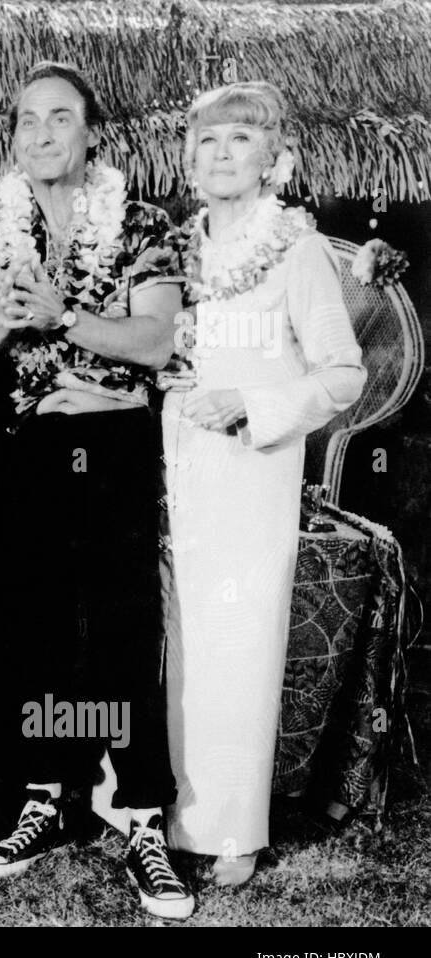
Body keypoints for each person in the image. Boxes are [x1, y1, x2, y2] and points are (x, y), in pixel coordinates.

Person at [0, 62, 194, 919]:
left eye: (60, 118)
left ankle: (140, 814)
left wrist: (65, 319)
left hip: (113, 445)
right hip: (27, 448)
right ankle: (47, 796)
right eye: (27, 121)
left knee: (122, 626)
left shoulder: (145, 222)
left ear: (92, 132)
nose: (42, 134)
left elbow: (157, 343)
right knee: (38, 627)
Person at [157, 82, 365, 886]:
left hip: (252, 468)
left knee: (237, 645)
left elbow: (343, 373)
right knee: (174, 642)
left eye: (239, 141)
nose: (220, 156)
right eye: (206, 142)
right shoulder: (172, 249)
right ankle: (170, 811)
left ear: (273, 159)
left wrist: (252, 403)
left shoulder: (297, 249)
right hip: (172, 465)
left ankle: (235, 828)